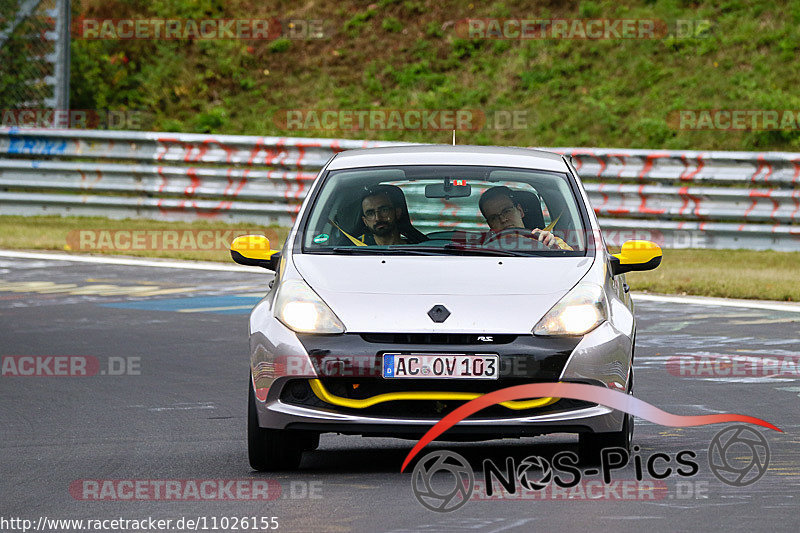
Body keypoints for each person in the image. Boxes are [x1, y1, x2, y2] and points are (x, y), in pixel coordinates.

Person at [478, 186, 572, 250]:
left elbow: (571, 263)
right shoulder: (481, 249)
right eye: (494, 218)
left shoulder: (547, 240)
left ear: (520, 211)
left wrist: (555, 247)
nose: (503, 220)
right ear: (490, 224)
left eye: (507, 211)